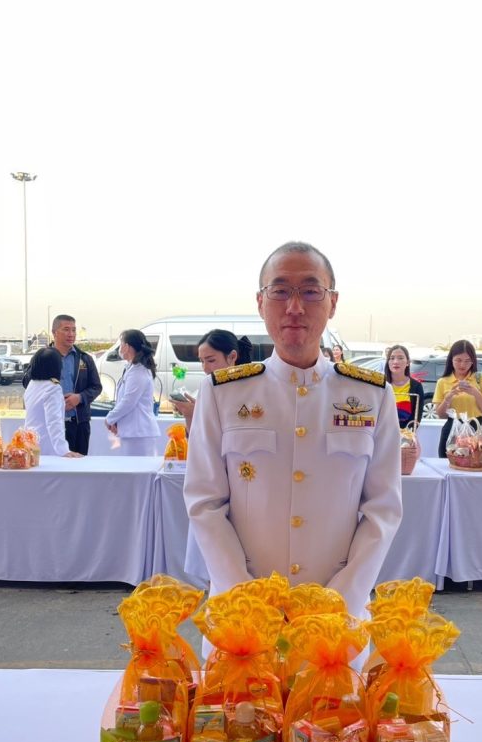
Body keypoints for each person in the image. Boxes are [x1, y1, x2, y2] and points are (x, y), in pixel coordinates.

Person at [183, 241, 402, 620]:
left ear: (333, 302)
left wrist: (338, 602)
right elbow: (205, 503)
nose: (295, 307)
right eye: (280, 291)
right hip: (243, 622)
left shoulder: (372, 395)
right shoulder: (222, 393)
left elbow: (383, 510)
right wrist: (247, 601)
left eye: (311, 291)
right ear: (260, 302)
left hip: (336, 622)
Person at [24, 315, 102, 455]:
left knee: (79, 464)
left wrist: (80, 398)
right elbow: (28, 382)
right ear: (54, 332)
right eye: (66, 329)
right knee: (54, 463)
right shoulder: (42, 356)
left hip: (78, 423)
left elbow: (96, 387)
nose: (71, 334)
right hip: (50, 426)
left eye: (74, 330)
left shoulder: (84, 358)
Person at [178, 330, 253, 433]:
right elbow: (197, 439)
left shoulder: (253, 389)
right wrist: (191, 415)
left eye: (211, 360)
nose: (205, 368)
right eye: (202, 361)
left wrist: (197, 414)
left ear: (232, 357)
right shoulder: (208, 388)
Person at [103, 330, 162, 456]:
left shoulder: (138, 371)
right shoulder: (132, 368)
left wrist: (110, 419)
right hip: (133, 432)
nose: (119, 348)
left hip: (139, 433)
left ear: (127, 346)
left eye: (121, 344)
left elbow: (128, 401)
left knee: (138, 468)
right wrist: (116, 421)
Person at [434, 340, 482, 457]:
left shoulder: (480, 378)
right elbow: (441, 415)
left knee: (476, 462)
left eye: (467, 361)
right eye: (458, 360)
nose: (462, 365)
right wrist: (448, 398)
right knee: (448, 462)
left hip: (477, 428)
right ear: (451, 360)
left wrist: (475, 393)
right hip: (453, 429)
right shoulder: (443, 382)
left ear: (473, 361)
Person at [24, 348, 81, 457]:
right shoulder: (53, 388)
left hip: (30, 442)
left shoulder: (32, 384)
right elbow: (54, 421)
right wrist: (63, 450)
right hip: (47, 446)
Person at [384, 344, 424, 427]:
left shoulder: (416, 386)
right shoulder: (380, 385)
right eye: (392, 358)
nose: (395, 362)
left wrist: (406, 433)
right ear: (388, 362)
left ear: (408, 362)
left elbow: (416, 419)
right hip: (382, 432)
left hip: (405, 433)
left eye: (400, 358)